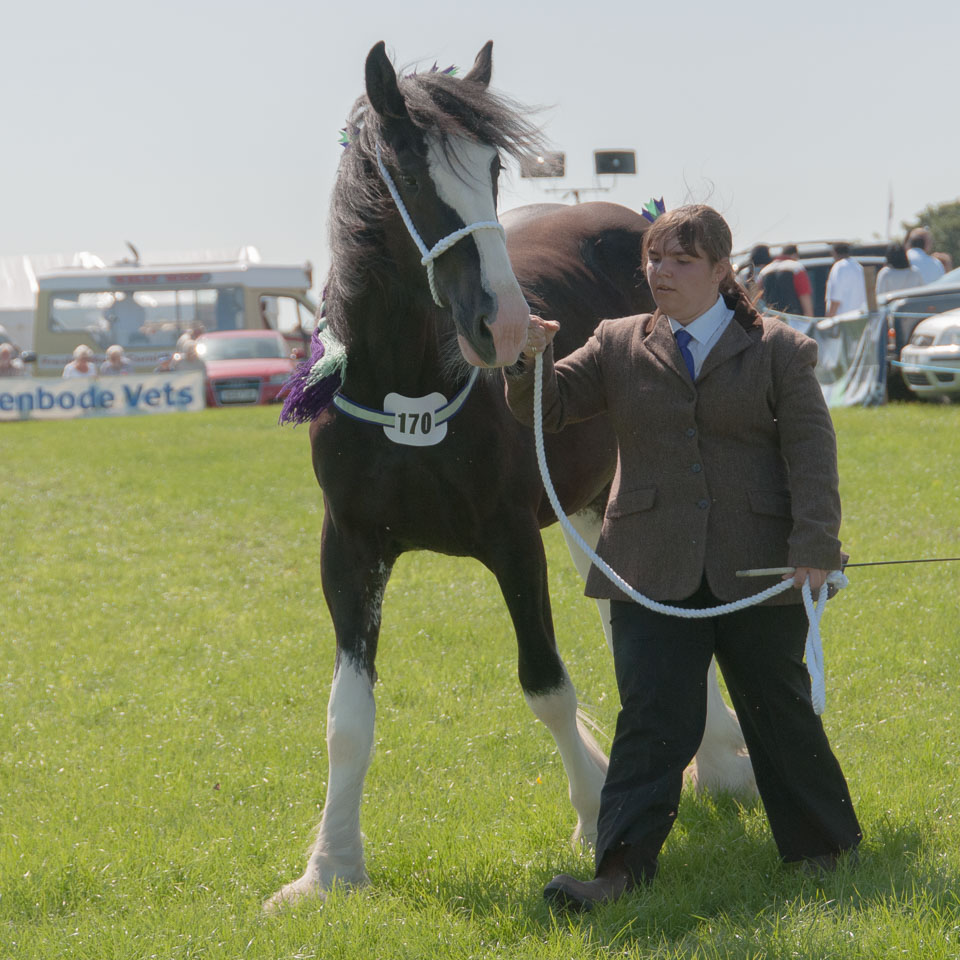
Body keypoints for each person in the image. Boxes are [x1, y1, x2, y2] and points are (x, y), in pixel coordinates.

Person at [505, 204, 862, 912]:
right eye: (653, 259)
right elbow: (544, 410)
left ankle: (825, 850)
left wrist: (815, 547)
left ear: (721, 271)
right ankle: (619, 874)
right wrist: (530, 357)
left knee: (778, 708)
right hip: (647, 567)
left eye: (679, 261)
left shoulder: (780, 350)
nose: (659, 273)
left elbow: (812, 458)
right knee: (650, 719)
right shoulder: (614, 341)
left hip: (756, 567)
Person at [758, 244, 813, 317]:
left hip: (772, 320)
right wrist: (809, 317)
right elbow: (804, 294)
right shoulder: (796, 268)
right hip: (794, 320)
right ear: (794, 255)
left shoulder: (764, 271)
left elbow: (759, 297)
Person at [825, 242, 867, 317]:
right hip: (859, 319)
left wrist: (828, 321)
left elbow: (835, 299)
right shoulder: (859, 267)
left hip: (842, 321)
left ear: (834, 253)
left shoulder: (839, 267)